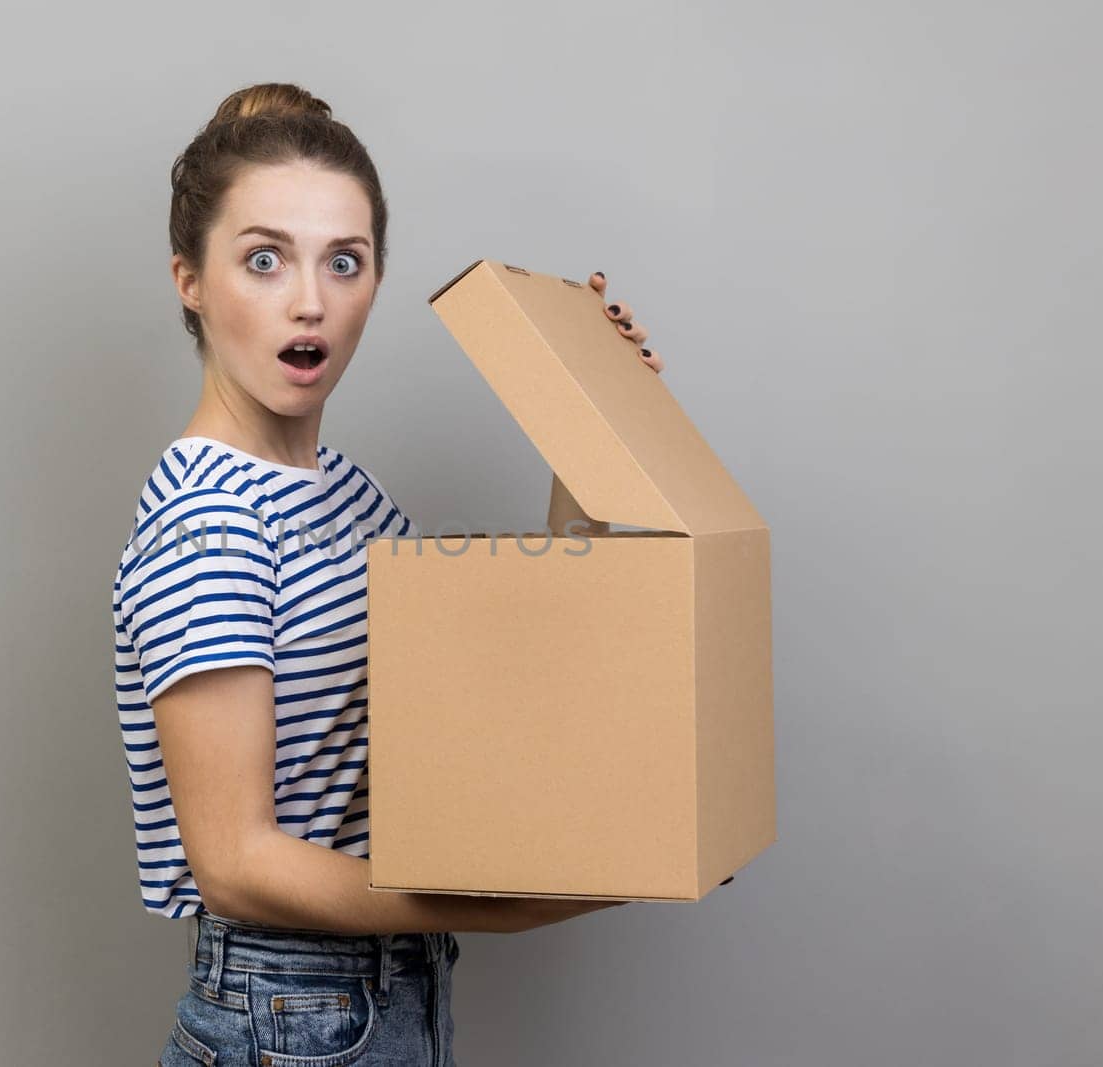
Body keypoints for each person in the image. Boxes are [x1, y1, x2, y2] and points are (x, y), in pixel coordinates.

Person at [111, 81, 663, 1067]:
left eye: (345, 261)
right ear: (188, 278)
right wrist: (497, 907)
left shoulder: (335, 490)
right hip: (288, 1013)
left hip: (368, 1000)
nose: (311, 299)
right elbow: (233, 861)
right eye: (264, 259)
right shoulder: (209, 520)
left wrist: (589, 424)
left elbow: (494, 646)